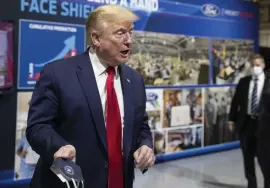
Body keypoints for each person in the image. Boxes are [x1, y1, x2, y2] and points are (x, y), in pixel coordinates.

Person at [26, 5, 155, 188]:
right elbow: (37, 126)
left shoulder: (134, 80)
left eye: (130, 32)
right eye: (120, 33)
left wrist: (145, 145)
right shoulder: (58, 73)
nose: (128, 40)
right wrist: (58, 147)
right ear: (96, 38)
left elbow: (141, 124)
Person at [228, 54, 265, 188]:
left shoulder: (268, 82)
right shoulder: (243, 82)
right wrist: (231, 119)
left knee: (264, 157)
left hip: (264, 125)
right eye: (253, 65)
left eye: (258, 65)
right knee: (247, 157)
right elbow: (235, 101)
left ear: (263, 66)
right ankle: (252, 183)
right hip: (246, 123)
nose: (255, 68)